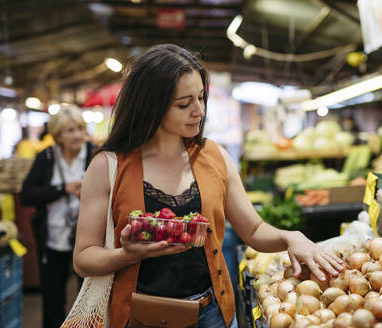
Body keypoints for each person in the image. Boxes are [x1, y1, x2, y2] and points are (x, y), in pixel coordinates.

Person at [73, 44, 344, 328]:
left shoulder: (215, 157)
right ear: (151, 104)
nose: (199, 111)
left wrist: (291, 237)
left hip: (211, 313)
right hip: (139, 316)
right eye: (183, 103)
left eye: (201, 98)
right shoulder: (108, 167)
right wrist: (126, 255)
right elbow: (83, 258)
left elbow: (252, 229)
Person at [19, 106, 96, 328]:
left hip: (89, 243)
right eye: (70, 130)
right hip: (53, 243)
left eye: (80, 129)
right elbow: (27, 195)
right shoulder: (47, 157)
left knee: (91, 303)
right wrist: (63, 189)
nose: (77, 135)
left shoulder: (94, 154)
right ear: (58, 134)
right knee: (52, 305)